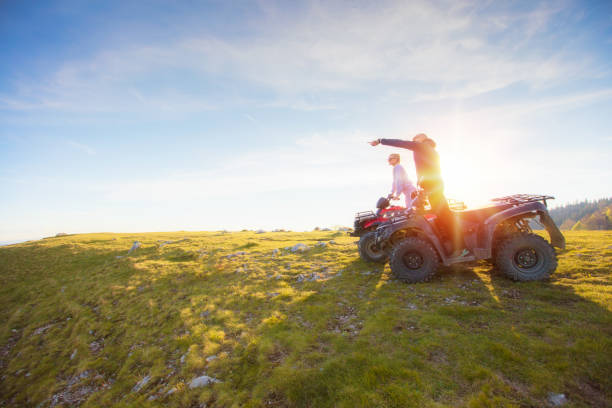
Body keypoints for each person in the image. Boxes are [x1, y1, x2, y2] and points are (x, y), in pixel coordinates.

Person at [369, 133, 464, 256]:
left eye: (415, 139)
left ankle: (460, 248)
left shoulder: (422, 147)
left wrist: (380, 140)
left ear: (422, 139)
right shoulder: (430, 150)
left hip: (432, 186)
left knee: (443, 215)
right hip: (432, 186)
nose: (413, 140)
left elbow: (401, 143)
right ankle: (451, 246)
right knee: (440, 215)